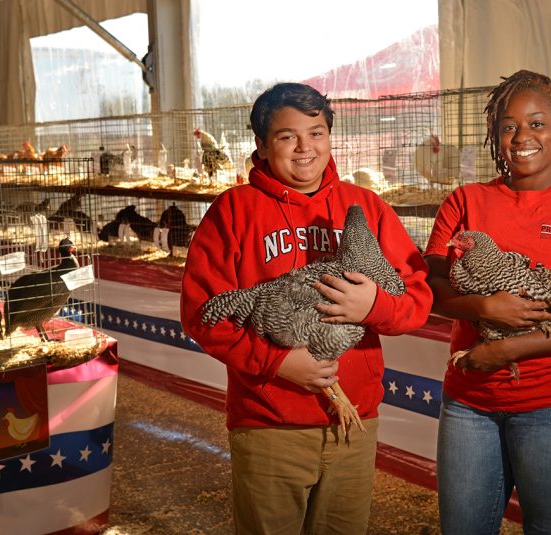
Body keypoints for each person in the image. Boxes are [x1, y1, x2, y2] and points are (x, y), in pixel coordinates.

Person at [180, 82, 432, 534]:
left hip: (353, 420)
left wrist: (374, 305)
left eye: (316, 133)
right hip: (268, 423)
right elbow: (203, 312)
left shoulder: (366, 207)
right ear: (261, 145)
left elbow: (416, 300)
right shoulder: (234, 211)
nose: (305, 147)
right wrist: (276, 362)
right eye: (287, 136)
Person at [424, 70, 551, 535]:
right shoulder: (465, 200)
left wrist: (505, 349)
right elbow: (434, 289)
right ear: (495, 136)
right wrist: (485, 309)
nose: (522, 137)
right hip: (471, 399)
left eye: (537, 123)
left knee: (547, 528)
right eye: (509, 126)